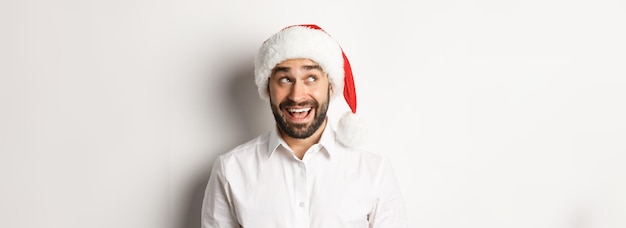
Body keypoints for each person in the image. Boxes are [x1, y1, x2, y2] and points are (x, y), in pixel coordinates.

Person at [201, 24, 408, 228]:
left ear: (331, 85)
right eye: (284, 79)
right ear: (268, 88)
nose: (297, 95)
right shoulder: (231, 170)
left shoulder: (374, 171)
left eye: (311, 78)